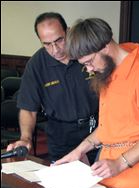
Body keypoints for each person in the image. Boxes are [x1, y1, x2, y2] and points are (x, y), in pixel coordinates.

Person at [55, 18, 139, 188]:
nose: (89, 69)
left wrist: (120, 163)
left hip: (134, 173)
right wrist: (79, 150)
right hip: (107, 168)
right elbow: (109, 127)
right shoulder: (108, 72)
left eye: (90, 62)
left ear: (105, 47)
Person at [6, 12, 99, 163]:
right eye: (47, 44)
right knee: (65, 183)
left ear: (67, 32)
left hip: (96, 128)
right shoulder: (36, 65)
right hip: (61, 135)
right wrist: (25, 138)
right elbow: (28, 108)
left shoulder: (86, 53)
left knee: (103, 182)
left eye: (59, 40)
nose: (55, 50)